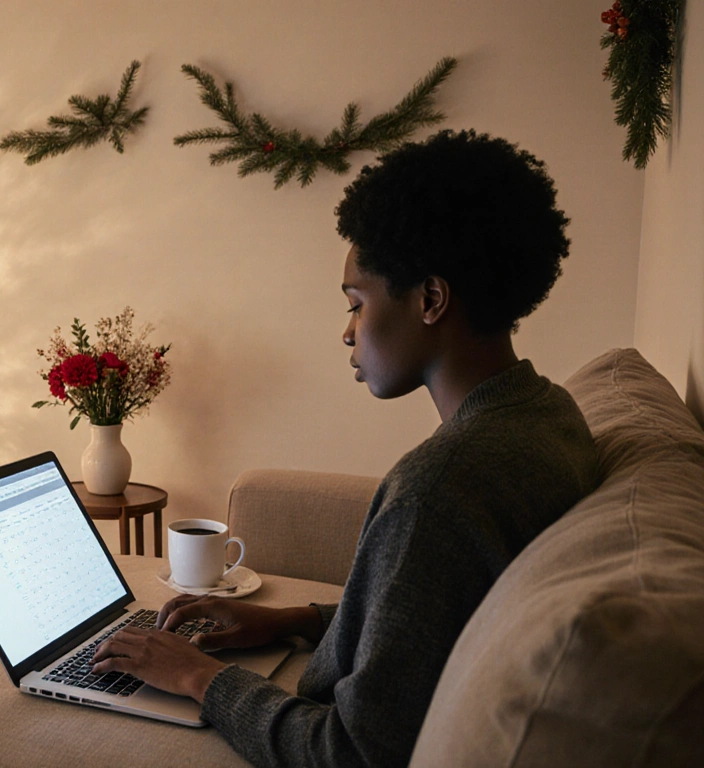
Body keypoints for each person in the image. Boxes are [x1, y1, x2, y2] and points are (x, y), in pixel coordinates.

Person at [92, 129, 599, 768]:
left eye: (356, 305)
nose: (347, 332)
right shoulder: (547, 413)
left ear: (430, 300)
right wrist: (292, 620)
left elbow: (352, 752)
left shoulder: (436, 489)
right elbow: (425, 616)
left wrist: (197, 676)